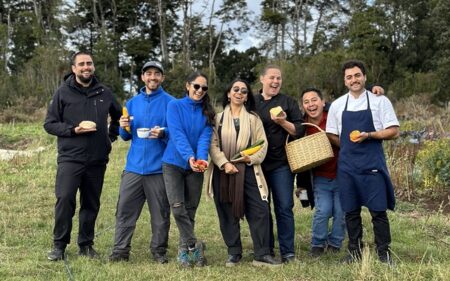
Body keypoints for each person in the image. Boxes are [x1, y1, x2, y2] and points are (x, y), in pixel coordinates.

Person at [44, 51, 122, 261]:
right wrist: (72, 130)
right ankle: (59, 245)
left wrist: (111, 137)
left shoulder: (104, 92)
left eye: (89, 63)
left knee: (91, 203)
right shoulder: (63, 93)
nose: (86, 67)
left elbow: (119, 116)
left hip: (97, 159)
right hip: (71, 157)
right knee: (65, 199)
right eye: (82, 64)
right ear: (74, 69)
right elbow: (49, 124)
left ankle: (86, 245)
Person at [296, 85, 385, 257]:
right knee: (323, 210)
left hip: (342, 174)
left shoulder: (335, 115)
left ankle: (335, 242)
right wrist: (301, 189)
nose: (311, 104)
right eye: (306, 102)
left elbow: (356, 98)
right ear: (303, 106)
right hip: (320, 177)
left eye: (314, 100)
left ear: (323, 102)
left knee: (341, 211)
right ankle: (317, 243)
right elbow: (299, 158)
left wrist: (375, 91)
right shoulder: (302, 126)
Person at [326, 60, 400, 264]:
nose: (354, 80)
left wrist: (369, 135)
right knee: (350, 211)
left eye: (357, 75)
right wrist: (347, 146)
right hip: (348, 167)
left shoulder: (379, 101)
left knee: (378, 211)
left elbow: (394, 131)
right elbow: (331, 133)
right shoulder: (338, 105)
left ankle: (384, 253)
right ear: (344, 80)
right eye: (349, 77)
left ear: (365, 77)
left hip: (372, 164)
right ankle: (354, 252)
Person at [205, 79, 281, 267]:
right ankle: (234, 252)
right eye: (236, 89)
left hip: (248, 170)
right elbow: (212, 145)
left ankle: (262, 254)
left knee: (260, 210)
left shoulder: (254, 119)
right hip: (224, 171)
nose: (240, 93)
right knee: (227, 212)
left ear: (247, 96)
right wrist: (224, 163)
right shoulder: (218, 118)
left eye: (244, 91)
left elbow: (262, 144)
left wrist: (251, 159)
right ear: (229, 94)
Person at [108, 61, 174, 263]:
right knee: (124, 212)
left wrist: (163, 133)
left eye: (157, 74)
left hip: (159, 169)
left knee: (160, 215)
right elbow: (126, 136)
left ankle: (159, 252)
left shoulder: (171, 103)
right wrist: (123, 126)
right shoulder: (132, 103)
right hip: (134, 169)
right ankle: (120, 251)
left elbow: (177, 134)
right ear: (142, 77)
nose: (152, 77)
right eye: (148, 74)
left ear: (162, 78)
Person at [162, 72, 215, 267]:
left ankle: (184, 250)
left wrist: (200, 159)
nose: (200, 91)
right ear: (187, 86)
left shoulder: (208, 112)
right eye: (196, 86)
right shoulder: (174, 106)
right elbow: (176, 134)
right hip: (173, 164)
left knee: (190, 209)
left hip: (196, 167)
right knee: (177, 208)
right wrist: (189, 157)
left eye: (204, 88)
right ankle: (195, 245)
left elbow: (204, 137)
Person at [254, 65, 305, 263]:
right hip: (257, 165)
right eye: (272, 78)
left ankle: (288, 252)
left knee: (284, 207)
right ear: (262, 79)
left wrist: (283, 122)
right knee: (262, 209)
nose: (275, 82)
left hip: (281, 164)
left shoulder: (288, 102)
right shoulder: (252, 102)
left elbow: (299, 131)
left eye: (279, 78)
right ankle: (266, 250)